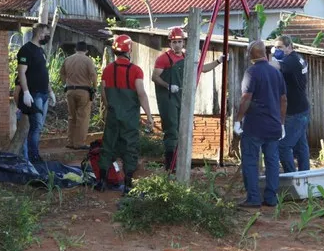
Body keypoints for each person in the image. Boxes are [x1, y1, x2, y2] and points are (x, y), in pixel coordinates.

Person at [152, 27, 225, 171]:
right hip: (168, 99)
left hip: (182, 98)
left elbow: (201, 69)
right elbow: (154, 77)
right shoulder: (163, 58)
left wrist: (218, 61)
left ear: (184, 42)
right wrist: (168, 86)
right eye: (174, 42)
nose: (177, 44)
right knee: (172, 130)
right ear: (170, 43)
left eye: (179, 41)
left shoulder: (187, 58)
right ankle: (169, 166)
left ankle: (180, 162)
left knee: (183, 130)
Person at [96, 34, 154, 194]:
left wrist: (110, 109)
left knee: (108, 146)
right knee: (130, 147)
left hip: (113, 115)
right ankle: (128, 184)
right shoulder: (136, 70)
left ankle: (101, 182)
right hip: (129, 118)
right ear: (129, 50)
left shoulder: (107, 70)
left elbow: (103, 94)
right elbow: (141, 93)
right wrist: (149, 115)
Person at [234, 40, 287, 208]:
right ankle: (271, 198)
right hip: (273, 126)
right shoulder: (276, 73)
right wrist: (282, 123)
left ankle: (254, 198)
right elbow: (283, 100)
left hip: (254, 126)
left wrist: (238, 120)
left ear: (251, 55)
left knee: (250, 161)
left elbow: (246, 98)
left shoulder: (251, 72)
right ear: (265, 53)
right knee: (272, 162)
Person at [269, 35, 310, 172]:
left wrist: (265, 56)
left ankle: (291, 177)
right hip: (301, 109)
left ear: (289, 47)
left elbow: (275, 65)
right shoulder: (298, 58)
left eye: (280, 47)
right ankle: (305, 176)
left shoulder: (291, 60)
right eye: (275, 47)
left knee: (283, 147)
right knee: (301, 146)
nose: (277, 50)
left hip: (296, 112)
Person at [17, 23, 54, 162]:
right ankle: (33, 156)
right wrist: (26, 92)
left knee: (39, 127)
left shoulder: (41, 51)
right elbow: (21, 72)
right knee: (36, 126)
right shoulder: (26, 50)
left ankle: (33, 154)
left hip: (43, 93)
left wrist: (50, 91)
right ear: (39, 33)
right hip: (34, 94)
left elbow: (43, 73)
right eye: (47, 33)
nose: (48, 37)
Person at [60, 41, 98, 150]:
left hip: (70, 91)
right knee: (83, 117)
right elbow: (93, 75)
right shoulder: (87, 60)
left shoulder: (68, 59)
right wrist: (94, 88)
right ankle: (79, 143)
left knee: (72, 117)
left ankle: (70, 142)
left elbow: (62, 73)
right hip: (83, 91)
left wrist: (65, 84)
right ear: (86, 50)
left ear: (75, 49)